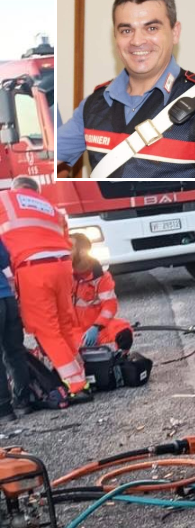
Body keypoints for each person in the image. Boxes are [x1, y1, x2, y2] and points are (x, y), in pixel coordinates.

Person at [57, 0, 195, 179]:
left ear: (175, 32)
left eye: (151, 28)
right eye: (126, 30)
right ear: (115, 37)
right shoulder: (93, 105)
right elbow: (45, 161)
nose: (137, 41)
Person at [0, 176, 90, 403]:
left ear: (16, 188)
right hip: (63, 266)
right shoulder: (51, 208)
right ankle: (82, 377)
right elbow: (67, 240)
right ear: (36, 191)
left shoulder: (5, 199)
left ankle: (77, 386)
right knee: (64, 326)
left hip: (34, 269)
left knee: (46, 330)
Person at [71, 234, 133, 353]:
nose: (65, 252)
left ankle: (119, 360)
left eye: (70, 248)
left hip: (97, 327)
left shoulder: (101, 278)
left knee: (124, 333)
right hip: (72, 331)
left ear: (82, 252)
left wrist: (96, 326)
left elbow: (110, 305)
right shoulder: (64, 276)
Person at [0, 240, 31, 422]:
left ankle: (4, 409)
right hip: (7, 298)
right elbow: (4, 259)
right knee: (15, 352)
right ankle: (23, 401)